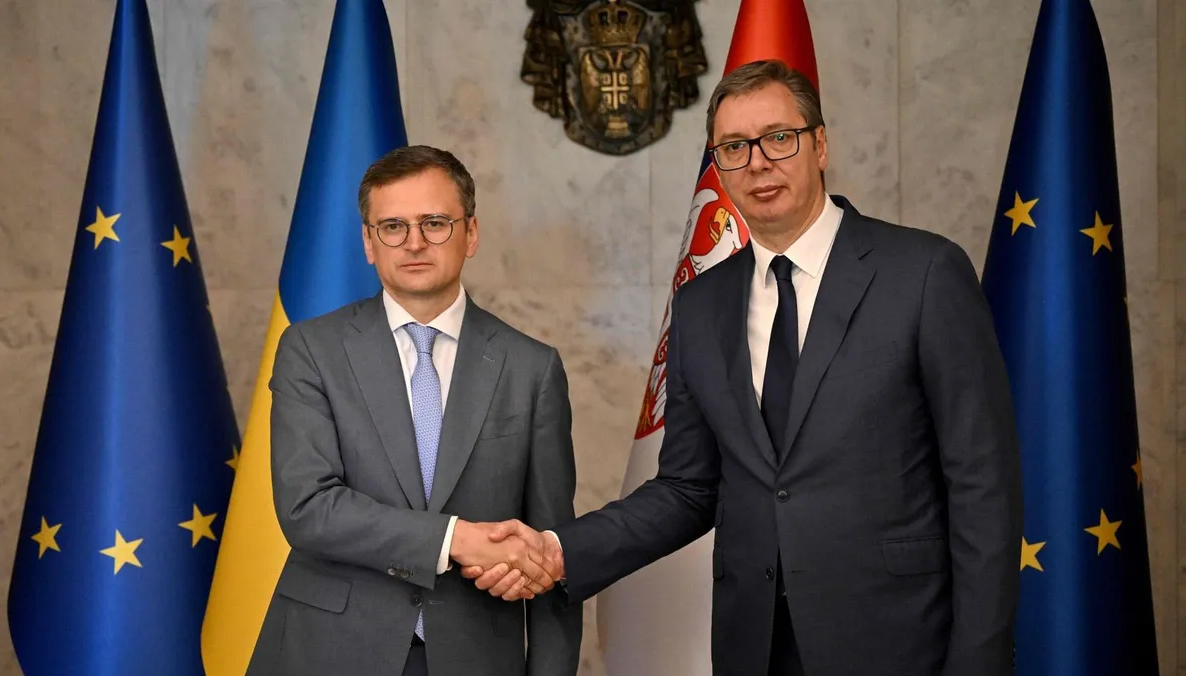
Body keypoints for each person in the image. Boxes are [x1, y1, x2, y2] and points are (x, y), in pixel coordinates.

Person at [466, 60, 1023, 676]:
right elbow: (687, 488)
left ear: (820, 145)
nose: (757, 162)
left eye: (778, 138)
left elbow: (983, 486)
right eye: (734, 147)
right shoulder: (701, 306)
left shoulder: (923, 273)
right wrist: (557, 550)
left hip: (899, 641)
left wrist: (980, 660)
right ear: (718, 165)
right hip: (753, 645)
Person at [247, 145, 581, 676]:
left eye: (435, 223)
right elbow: (308, 507)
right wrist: (457, 539)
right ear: (368, 242)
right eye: (393, 227)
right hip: (330, 651)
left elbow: (550, 550)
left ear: (471, 233)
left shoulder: (531, 368)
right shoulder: (311, 350)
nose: (414, 242)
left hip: (476, 657)